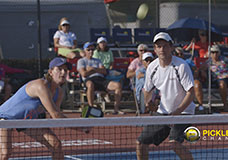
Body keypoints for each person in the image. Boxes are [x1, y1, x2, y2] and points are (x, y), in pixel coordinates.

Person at [0, 57, 88, 160]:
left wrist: (84, 124)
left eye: (65, 70)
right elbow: (56, 115)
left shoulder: (59, 92)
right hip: (4, 118)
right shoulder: (41, 86)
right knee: (5, 153)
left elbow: (56, 118)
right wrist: (81, 126)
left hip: (25, 120)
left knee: (55, 144)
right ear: (50, 72)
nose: (63, 72)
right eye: (59, 69)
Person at [136, 32, 195, 160]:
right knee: (140, 143)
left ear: (171, 47)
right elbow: (147, 90)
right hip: (163, 112)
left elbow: (191, 93)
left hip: (184, 112)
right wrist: (148, 102)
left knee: (174, 143)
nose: (162, 49)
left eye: (165, 46)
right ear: (155, 49)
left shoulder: (181, 66)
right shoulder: (152, 67)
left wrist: (177, 113)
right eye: (159, 46)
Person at [77, 42, 124, 114]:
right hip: (89, 80)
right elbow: (84, 74)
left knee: (118, 85)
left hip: (101, 79)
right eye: (88, 49)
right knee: (90, 84)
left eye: (92, 49)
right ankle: (91, 107)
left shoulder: (98, 60)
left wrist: (92, 69)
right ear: (84, 51)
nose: (91, 51)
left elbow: (104, 71)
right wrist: (97, 70)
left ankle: (116, 108)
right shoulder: (81, 61)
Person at [208, 45, 228, 111]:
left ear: (219, 53)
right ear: (210, 53)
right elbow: (200, 69)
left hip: (226, 77)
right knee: (222, 84)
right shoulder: (208, 62)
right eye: (213, 52)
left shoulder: (224, 60)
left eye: (216, 52)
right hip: (217, 79)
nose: (215, 54)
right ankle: (225, 104)